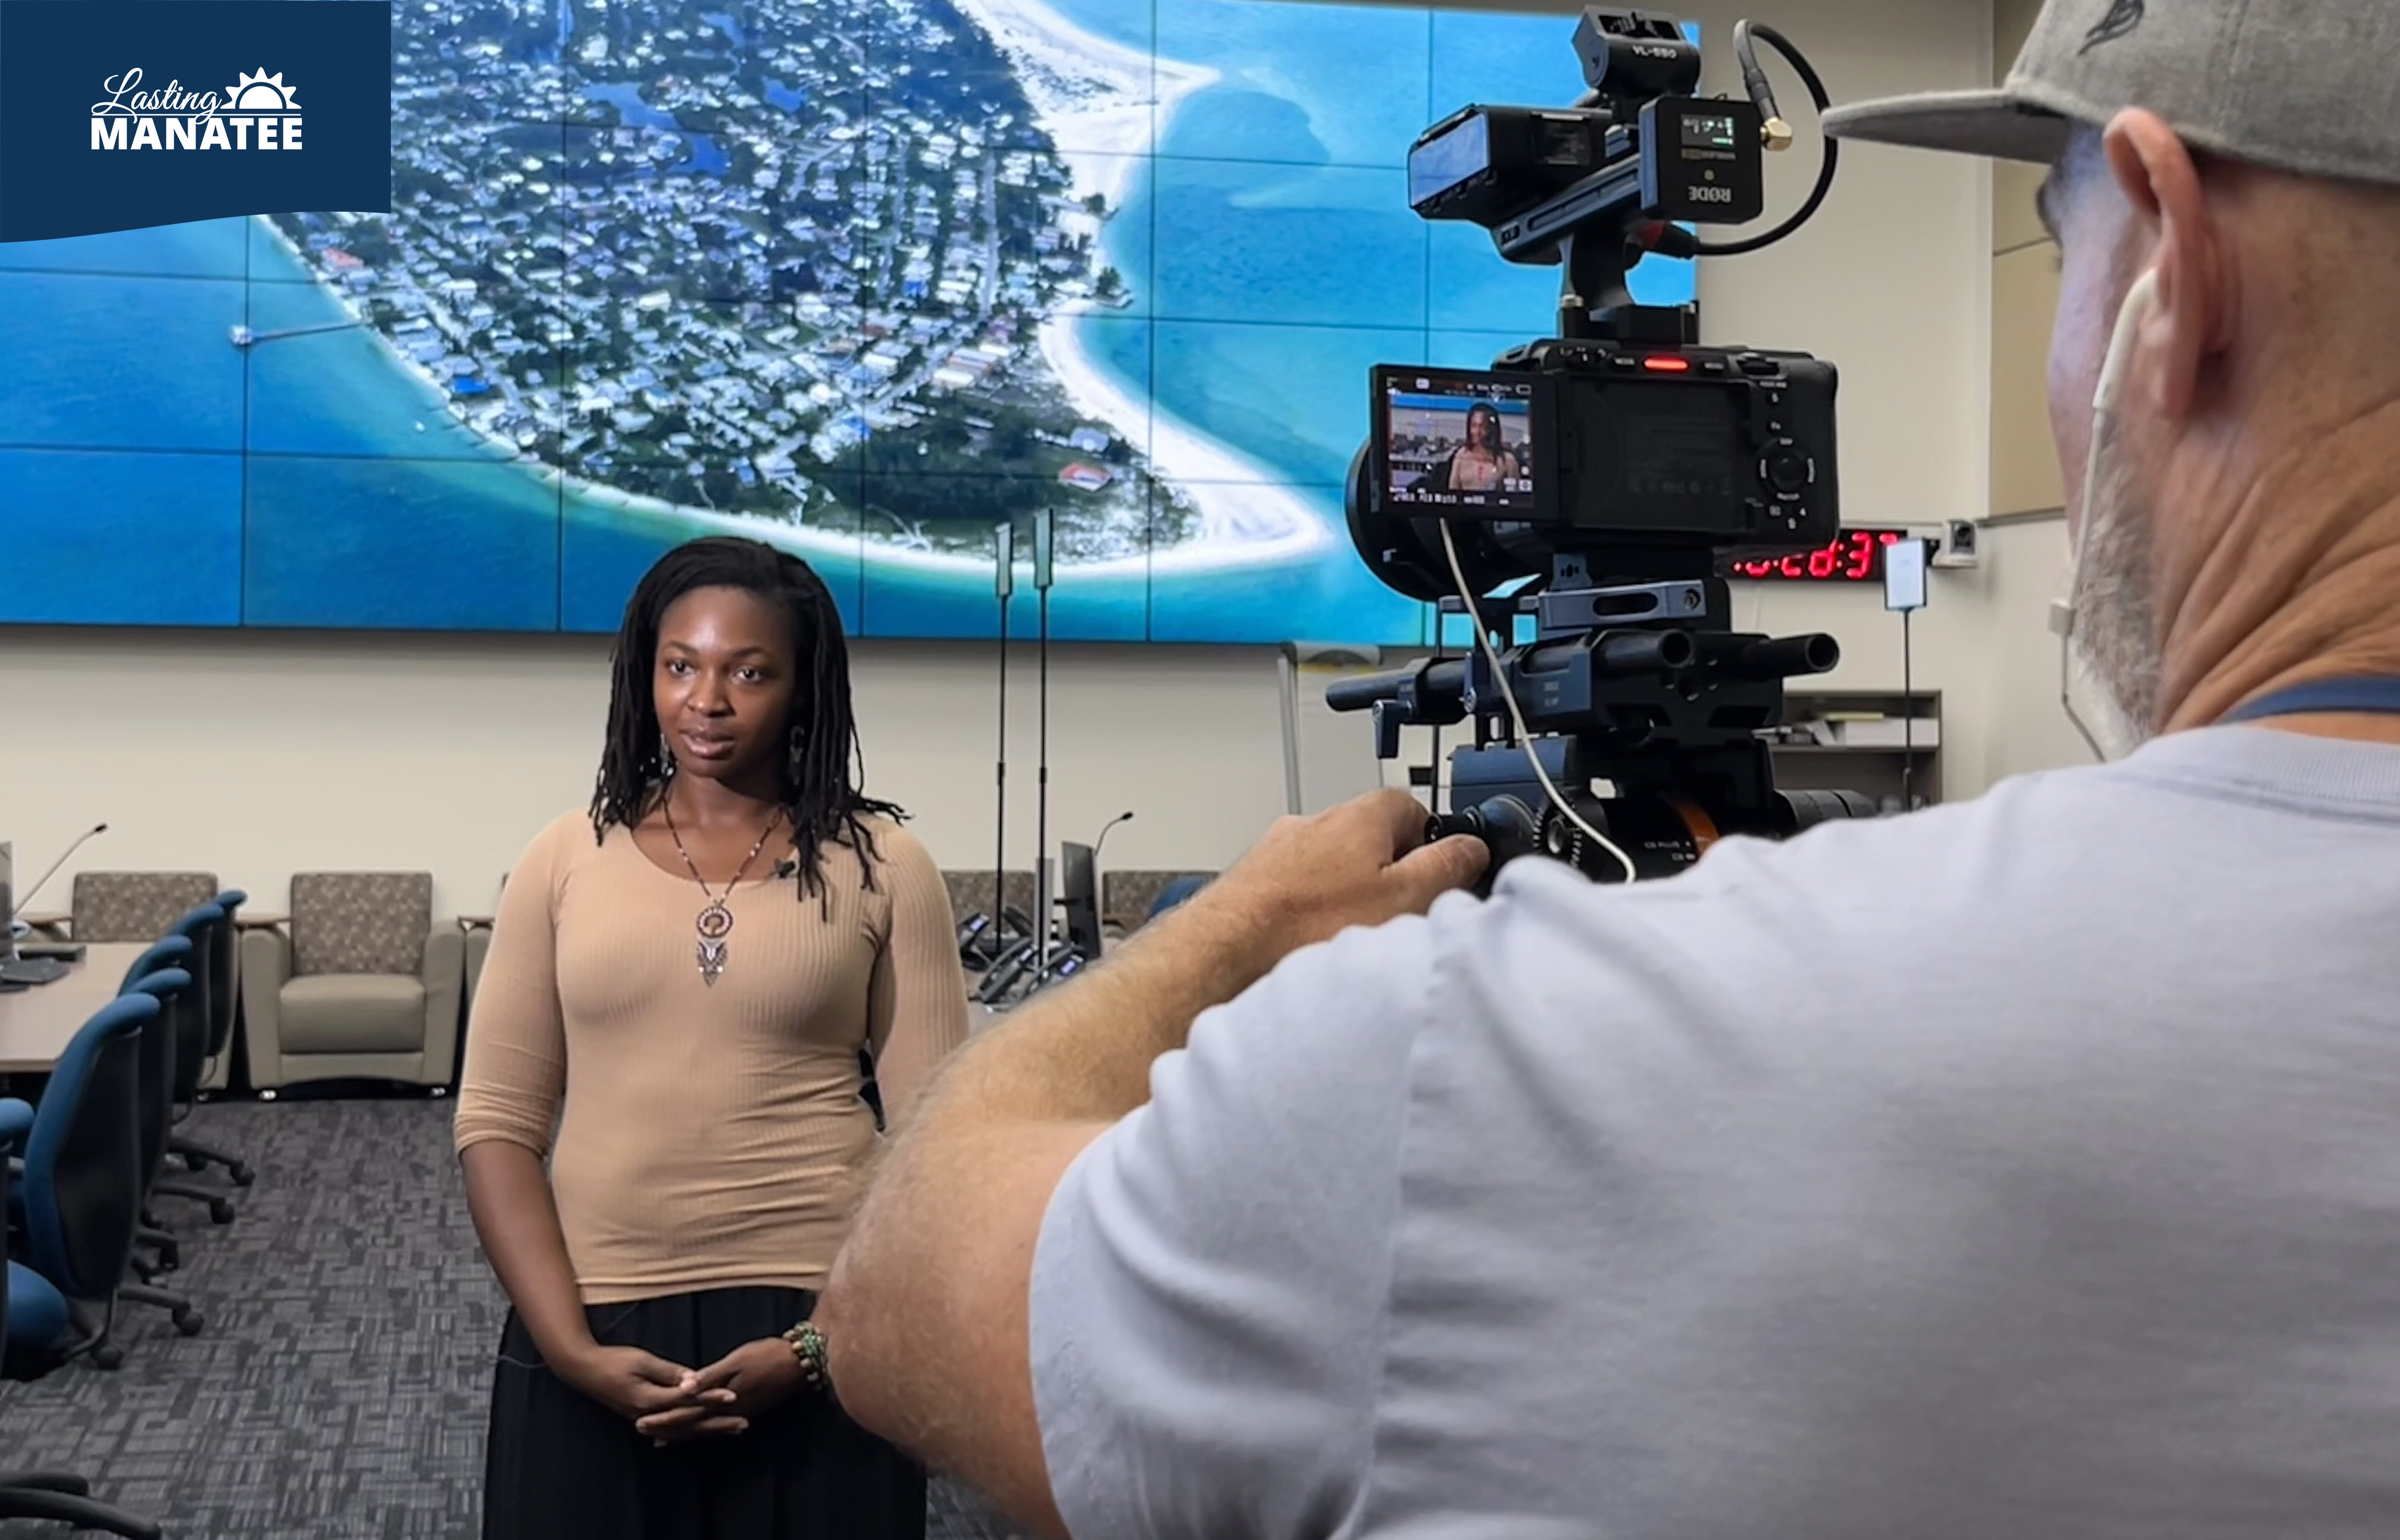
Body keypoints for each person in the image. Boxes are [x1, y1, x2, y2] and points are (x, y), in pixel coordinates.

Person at [813, 4, 2400, 1537]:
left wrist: (1233, 933)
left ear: (2172, 267)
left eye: (2064, 257)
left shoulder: (1485, 1064)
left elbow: (908, 1291)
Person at [454, 536, 968, 1540]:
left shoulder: (887, 865)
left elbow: (938, 1154)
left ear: (803, 684)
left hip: (818, 1318)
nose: (708, 699)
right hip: (595, 1315)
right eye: (680, 664)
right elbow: (496, 1125)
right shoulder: (563, 857)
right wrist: (566, 1349)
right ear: (643, 675)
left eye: (748, 670)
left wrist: (822, 1345)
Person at [1440, 400, 1520, 492]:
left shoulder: (1508, 461)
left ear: (1492, 429)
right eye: (1474, 426)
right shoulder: (1461, 455)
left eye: (1483, 427)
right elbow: (1453, 491)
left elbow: (1515, 497)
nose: (1478, 432)